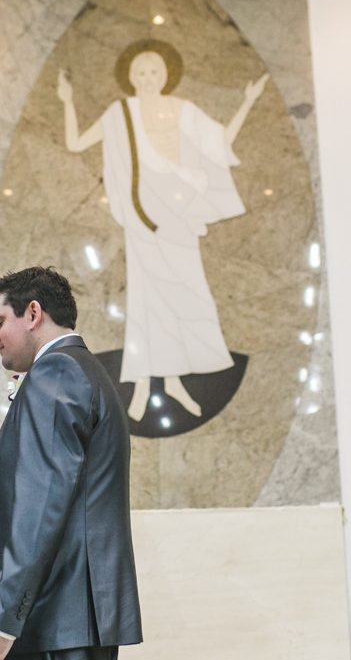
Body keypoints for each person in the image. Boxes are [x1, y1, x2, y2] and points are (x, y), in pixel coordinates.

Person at [56, 39, 269, 422]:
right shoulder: (121, 111)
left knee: (184, 292)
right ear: (131, 78)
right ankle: (141, 382)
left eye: (155, 71)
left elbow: (220, 143)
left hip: (178, 213)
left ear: (167, 75)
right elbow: (75, 143)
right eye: (140, 72)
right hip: (142, 215)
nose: (148, 78)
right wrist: (67, 101)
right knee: (145, 295)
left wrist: (248, 102)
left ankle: (171, 381)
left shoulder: (181, 110)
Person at [0, 267, 142, 660]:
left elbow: (41, 507)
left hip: (54, 617)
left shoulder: (57, 373)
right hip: (71, 618)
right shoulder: (83, 370)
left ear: (33, 313)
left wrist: (2, 620)